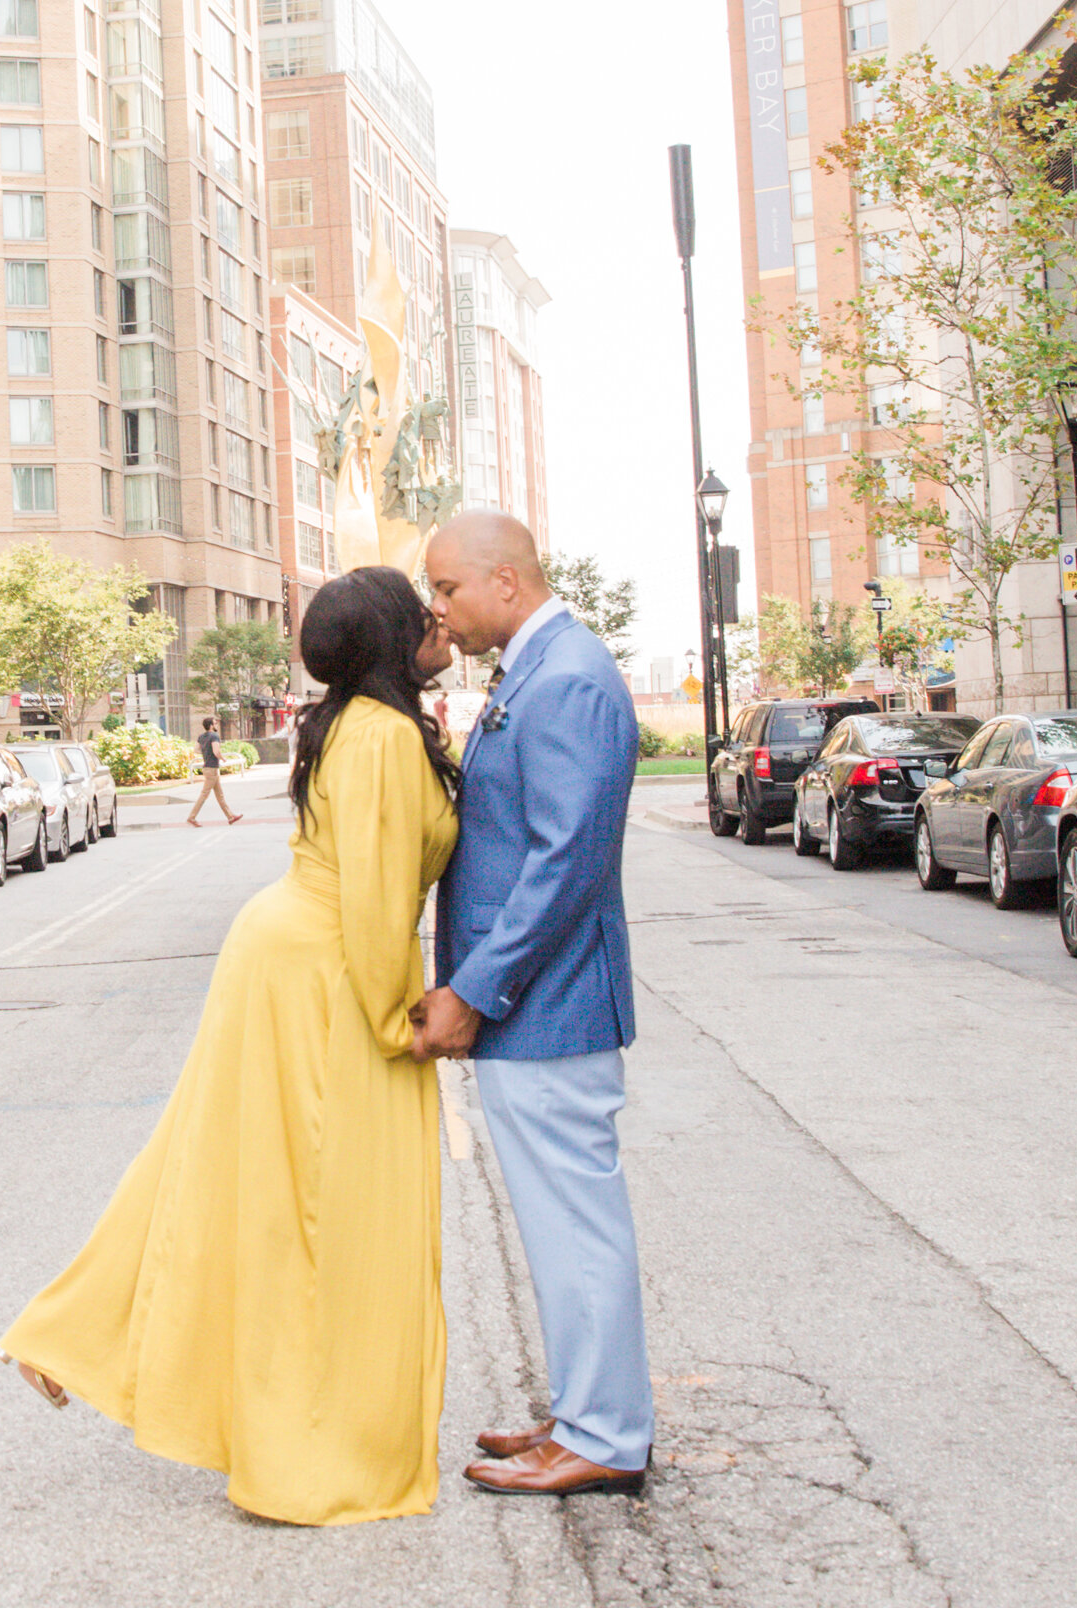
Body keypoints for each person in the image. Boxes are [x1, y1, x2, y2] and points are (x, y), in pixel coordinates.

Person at [1, 566, 460, 1524]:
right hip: (327, 975)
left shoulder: (355, 727)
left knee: (215, 1168)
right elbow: (378, 899)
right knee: (317, 1212)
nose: (437, 618)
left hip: (292, 957)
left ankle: (71, 1334)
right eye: (421, 610)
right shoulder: (378, 737)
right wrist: (399, 1019)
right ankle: (309, 1443)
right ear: (389, 637)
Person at [413, 508, 652, 1500]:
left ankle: (603, 1434)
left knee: (575, 1225)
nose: (440, 610)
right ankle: (587, 1412)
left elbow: (566, 865)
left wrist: (474, 988)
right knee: (559, 1227)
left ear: (505, 582)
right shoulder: (536, 668)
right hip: (534, 1013)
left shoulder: (570, 681)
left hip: (547, 1011)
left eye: (447, 589)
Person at [184, 716, 239, 827]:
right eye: (215, 723)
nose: (216, 725)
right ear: (211, 725)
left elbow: (196, 750)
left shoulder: (201, 737)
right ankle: (191, 817)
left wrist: (206, 753)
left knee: (220, 795)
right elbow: (216, 751)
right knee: (204, 794)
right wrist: (222, 758)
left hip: (207, 768)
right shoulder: (214, 736)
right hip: (212, 768)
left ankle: (230, 816)